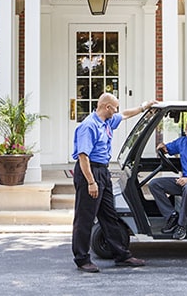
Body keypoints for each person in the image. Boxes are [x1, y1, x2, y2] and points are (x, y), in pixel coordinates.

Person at [71, 92, 157, 273]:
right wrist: (91, 183)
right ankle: (82, 259)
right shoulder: (89, 126)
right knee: (85, 218)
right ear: (106, 107)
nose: (116, 111)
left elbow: (125, 114)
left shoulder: (107, 121)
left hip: (102, 171)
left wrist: (144, 107)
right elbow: (83, 157)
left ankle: (122, 255)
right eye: (114, 107)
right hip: (90, 172)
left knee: (109, 215)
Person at [148, 114, 187, 240]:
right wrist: (162, 147)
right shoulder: (183, 141)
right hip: (184, 181)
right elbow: (167, 148)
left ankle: (181, 225)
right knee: (154, 184)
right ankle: (171, 216)